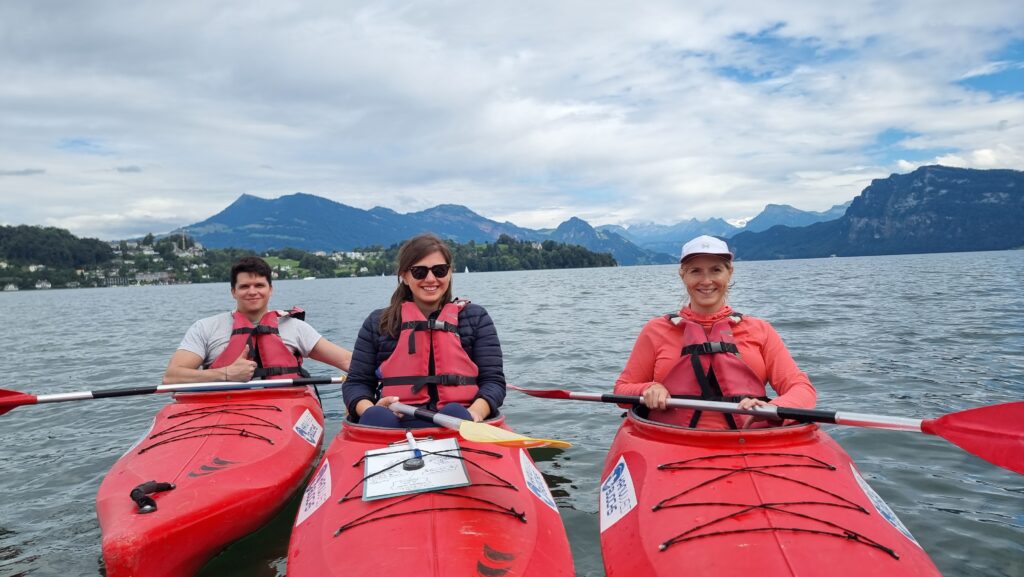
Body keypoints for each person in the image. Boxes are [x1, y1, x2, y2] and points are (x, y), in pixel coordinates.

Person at [615, 235, 816, 429]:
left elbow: (802, 389)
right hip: (670, 439)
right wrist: (647, 388)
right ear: (682, 275)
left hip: (750, 440)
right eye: (695, 271)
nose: (706, 281)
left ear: (729, 273)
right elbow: (622, 390)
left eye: (716, 270)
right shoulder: (656, 330)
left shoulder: (760, 329)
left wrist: (773, 407)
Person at [343, 233, 506, 428]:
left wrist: (475, 413)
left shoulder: (476, 318)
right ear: (404, 276)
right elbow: (356, 383)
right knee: (375, 417)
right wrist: (369, 408)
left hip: (460, 421)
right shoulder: (378, 323)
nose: (431, 279)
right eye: (419, 272)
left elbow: (493, 382)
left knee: (455, 413)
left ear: (450, 272)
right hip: (395, 423)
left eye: (439, 270)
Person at [163, 256, 352, 384]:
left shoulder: (296, 328)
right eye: (244, 286)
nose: (252, 291)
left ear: (270, 289)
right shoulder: (205, 328)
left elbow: (346, 361)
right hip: (220, 410)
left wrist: (378, 377)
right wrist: (225, 374)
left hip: (283, 410)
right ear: (233, 292)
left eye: (259, 285)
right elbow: (171, 377)